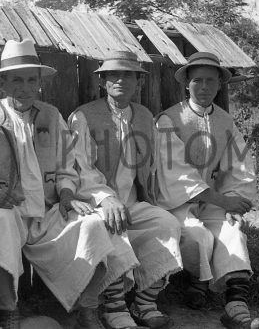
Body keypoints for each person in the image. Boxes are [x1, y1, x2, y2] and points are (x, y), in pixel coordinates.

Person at [0, 39, 140, 329]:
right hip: (7, 209)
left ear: (39, 83)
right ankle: (9, 312)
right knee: (1, 223)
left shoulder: (51, 116)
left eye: (31, 80)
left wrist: (68, 195)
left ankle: (87, 308)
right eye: (16, 80)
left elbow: (66, 166)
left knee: (96, 224)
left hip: (48, 210)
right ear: (3, 85)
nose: (24, 87)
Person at [68, 50, 183, 329]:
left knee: (166, 223)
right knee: (112, 227)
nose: (121, 79)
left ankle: (144, 303)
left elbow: (153, 165)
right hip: (94, 203)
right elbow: (79, 166)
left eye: (128, 75)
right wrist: (105, 198)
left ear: (139, 82)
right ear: (102, 81)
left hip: (133, 202)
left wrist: (154, 199)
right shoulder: (83, 117)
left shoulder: (145, 117)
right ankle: (114, 308)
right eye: (113, 75)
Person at [155, 51, 259, 329]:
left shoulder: (225, 122)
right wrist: (219, 200)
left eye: (210, 82)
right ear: (187, 84)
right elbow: (174, 173)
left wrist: (234, 202)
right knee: (195, 235)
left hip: (213, 198)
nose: (204, 88)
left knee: (230, 231)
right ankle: (199, 280)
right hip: (175, 200)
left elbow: (239, 166)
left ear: (219, 85)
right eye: (197, 81)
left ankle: (236, 308)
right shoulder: (169, 120)